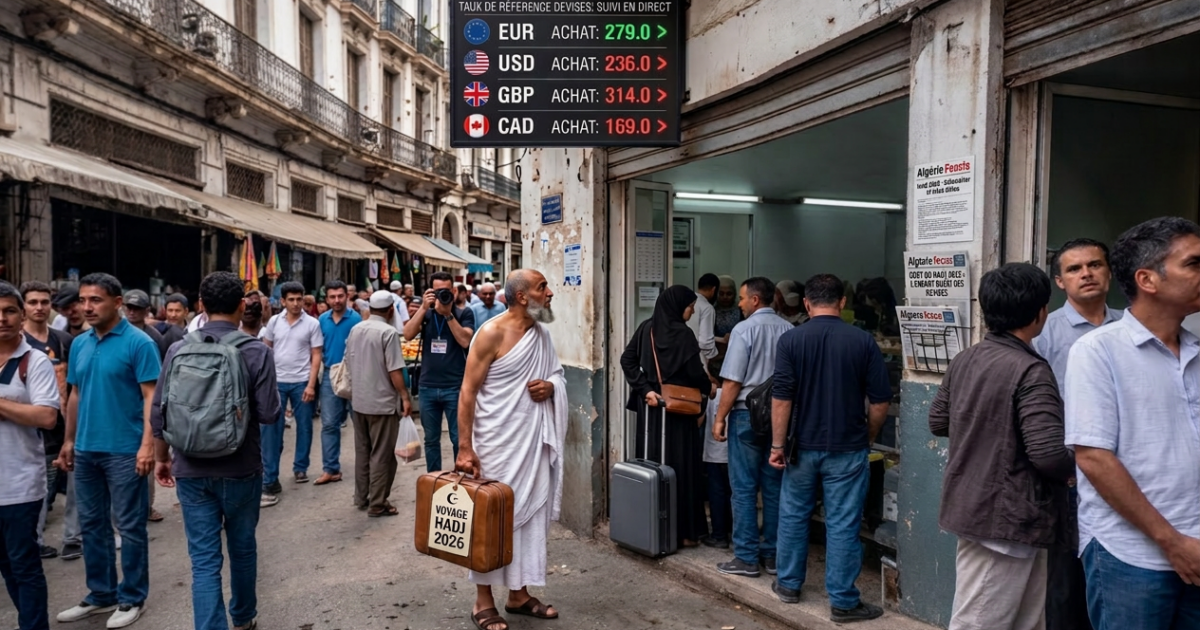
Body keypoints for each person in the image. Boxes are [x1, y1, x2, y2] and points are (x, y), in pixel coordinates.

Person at [1066, 217, 1200, 628]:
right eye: (1193, 263)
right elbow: (1093, 459)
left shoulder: (1196, 350)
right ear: (1148, 280)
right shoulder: (1098, 351)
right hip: (1130, 555)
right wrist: (1171, 542)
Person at [927, 264, 1073, 629]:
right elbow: (1048, 454)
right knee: (979, 622)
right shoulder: (1030, 370)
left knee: (1025, 621)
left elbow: (938, 421)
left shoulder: (966, 358)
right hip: (1007, 517)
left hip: (976, 506)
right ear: (1041, 313)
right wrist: (1082, 465)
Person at [150, 271, 280, 630]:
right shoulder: (256, 351)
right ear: (242, 305)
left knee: (204, 560)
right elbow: (269, 414)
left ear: (201, 306)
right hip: (242, 467)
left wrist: (162, 459)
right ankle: (242, 618)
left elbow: (159, 413)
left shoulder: (178, 349)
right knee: (242, 548)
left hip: (191, 468)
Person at [456, 269, 567, 630]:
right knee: (490, 522)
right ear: (522, 296)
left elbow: (558, 374)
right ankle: (482, 601)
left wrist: (551, 387)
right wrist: (464, 447)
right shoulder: (491, 333)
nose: (549, 293)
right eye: (542, 287)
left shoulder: (542, 334)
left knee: (527, 518)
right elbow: (468, 392)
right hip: (496, 444)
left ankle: (518, 594)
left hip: (530, 443)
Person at [55, 273, 161, 629]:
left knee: (129, 527)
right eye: (83, 300)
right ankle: (101, 594)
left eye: (95, 300)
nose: (87, 307)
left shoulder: (139, 343)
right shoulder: (80, 343)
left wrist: (148, 445)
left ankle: (132, 597)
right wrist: (68, 441)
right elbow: (75, 394)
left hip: (125, 450)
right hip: (86, 449)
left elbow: (151, 398)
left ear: (117, 303)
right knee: (92, 525)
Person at [1031, 238, 1119, 630]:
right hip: (1069, 472)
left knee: (1118, 568)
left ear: (1110, 273)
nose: (1086, 273)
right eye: (1074, 269)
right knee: (1067, 578)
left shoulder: (1131, 326)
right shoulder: (1045, 333)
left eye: (1095, 265)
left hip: (1125, 467)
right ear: (1060, 282)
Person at [711, 277, 791, 578]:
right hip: (780, 417)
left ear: (756, 300)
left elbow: (732, 381)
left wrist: (720, 417)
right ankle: (772, 555)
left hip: (746, 414)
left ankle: (745, 556)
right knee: (774, 488)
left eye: (743, 298)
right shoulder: (789, 330)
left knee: (743, 488)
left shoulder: (744, 330)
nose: (740, 303)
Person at [620, 285, 712, 547]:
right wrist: (710, 388)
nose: (692, 310)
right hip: (679, 414)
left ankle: (653, 529)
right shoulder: (684, 335)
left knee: (652, 466)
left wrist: (646, 389)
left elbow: (627, 360)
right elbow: (696, 373)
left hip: (651, 412)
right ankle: (684, 532)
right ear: (677, 305)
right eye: (690, 305)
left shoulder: (647, 328)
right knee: (681, 469)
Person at [0, 281, 61, 630]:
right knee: (6, 566)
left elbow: (46, 416)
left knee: (24, 565)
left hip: (20, 484)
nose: (3, 318)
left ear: (21, 316)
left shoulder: (33, 360)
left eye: (10, 310)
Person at [344, 291, 412, 517]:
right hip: (382, 402)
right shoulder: (388, 332)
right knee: (382, 455)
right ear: (391, 309)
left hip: (360, 401)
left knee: (363, 451)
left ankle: (362, 497)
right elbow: (394, 370)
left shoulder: (356, 329)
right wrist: (404, 396)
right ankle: (378, 503)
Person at [402, 271, 475, 472]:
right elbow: (407, 335)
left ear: (453, 291)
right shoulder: (426, 314)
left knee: (457, 438)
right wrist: (424, 307)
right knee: (431, 440)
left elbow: (465, 341)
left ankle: (459, 480)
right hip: (428, 386)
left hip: (455, 386)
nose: (442, 295)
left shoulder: (463, 313)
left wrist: (448, 314)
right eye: (437, 291)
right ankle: (434, 480)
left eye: (445, 291)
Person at [20, 281, 72, 560]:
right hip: (19, 429)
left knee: (44, 488)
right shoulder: (14, 341)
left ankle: (35, 540)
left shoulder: (63, 341)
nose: (39, 307)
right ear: (23, 307)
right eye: (32, 302)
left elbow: (72, 389)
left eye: (44, 302)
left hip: (55, 429)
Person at [260, 281, 323, 498]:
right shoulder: (274, 322)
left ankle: (300, 467)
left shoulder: (312, 324)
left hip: (302, 381)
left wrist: (311, 384)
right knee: (271, 431)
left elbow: (316, 354)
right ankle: (270, 475)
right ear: (283, 301)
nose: (296, 304)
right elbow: (266, 350)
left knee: (304, 426)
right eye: (291, 300)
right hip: (276, 382)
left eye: (299, 299)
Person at [315, 280, 361, 486]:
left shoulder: (356, 319)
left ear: (347, 297)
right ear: (327, 299)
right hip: (328, 376)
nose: (336, 300)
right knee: (329, 424)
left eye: (340, 296)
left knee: (359, 422)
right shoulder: (322, 320)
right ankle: (330, 469)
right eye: (332, 297)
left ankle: (365, 465)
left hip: (354, 374)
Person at [702, 364, 732, 549]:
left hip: (714, 454)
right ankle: (732, 528)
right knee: (734, 494)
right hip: (733, 454)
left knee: (717, 494)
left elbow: (699, 420)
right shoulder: (735, 394)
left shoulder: (712, 397)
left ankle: (719, 535)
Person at [687, 273, 719, 367]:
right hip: (698, 359)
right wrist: (716, 355)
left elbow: (694, 330)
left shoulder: (687, 302)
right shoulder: (707, 308)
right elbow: (705, 342)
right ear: (714, 290)